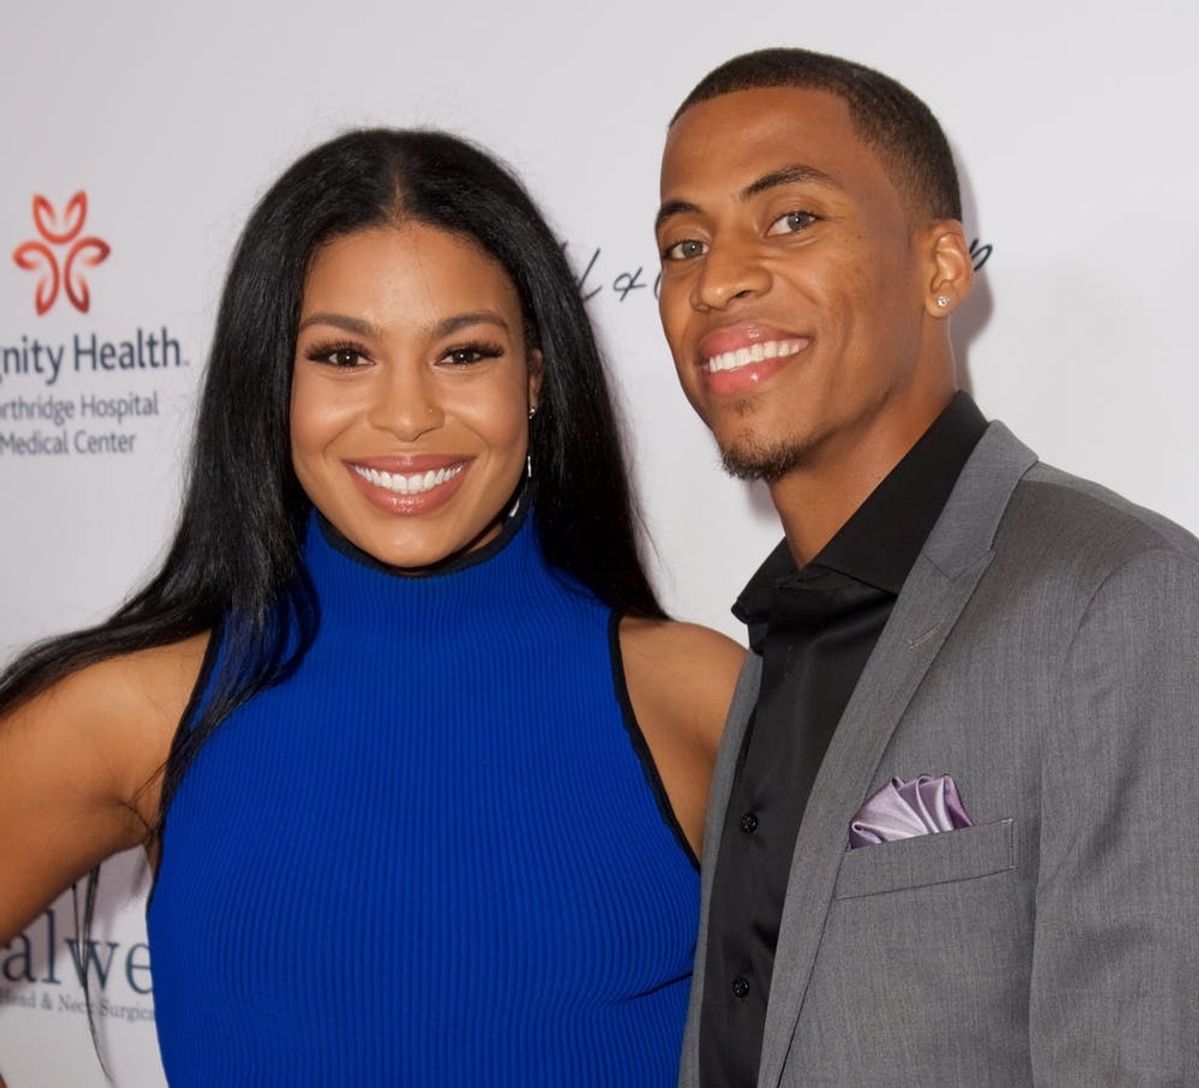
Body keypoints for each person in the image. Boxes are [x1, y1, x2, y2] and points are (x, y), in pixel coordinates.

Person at [0, 128, 744, 1086]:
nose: (405, 415)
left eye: (463, 353)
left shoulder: (696, 697)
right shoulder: (142, 710)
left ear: (534, 379)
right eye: (344, 355)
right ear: (275, 383)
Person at [654, 47, 1199, 1087]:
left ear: (943, 269)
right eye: (684, 244)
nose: (717, 280)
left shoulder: (1121, 593)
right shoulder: (773, 638)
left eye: (792, 218)